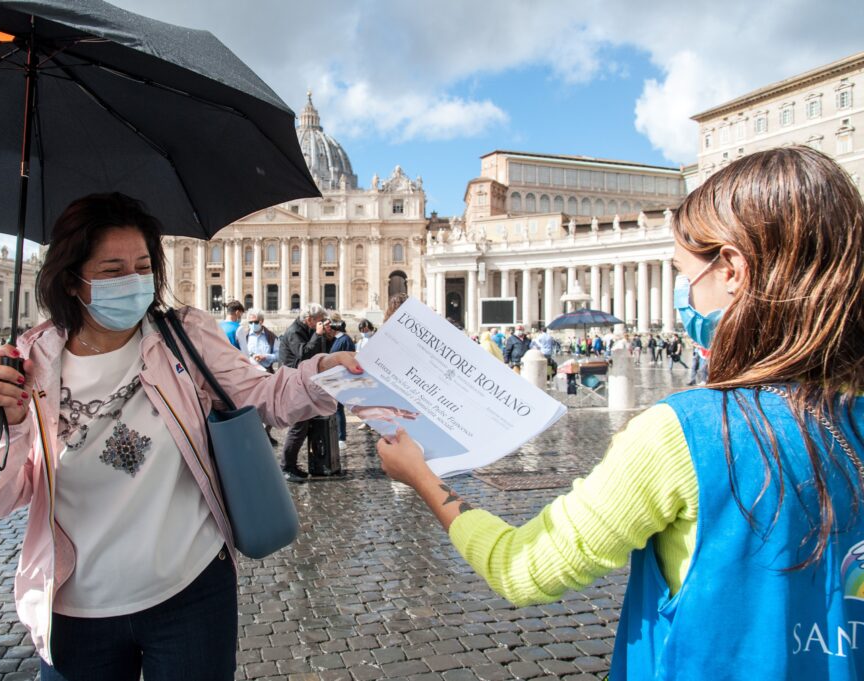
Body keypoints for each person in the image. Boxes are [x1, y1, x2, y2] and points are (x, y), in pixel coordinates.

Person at [376, 147, 864, 679]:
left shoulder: (686, 434)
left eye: (684, 274)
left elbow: (521, 566)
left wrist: (421, 475)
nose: (685, 297)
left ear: (732, 270)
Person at [0, 193, 358, 680]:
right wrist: (5, 423)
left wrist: (328, 373)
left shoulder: (184, 336)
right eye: (111, 270)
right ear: (71, 279)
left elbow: (265, 396)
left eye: (142, 266)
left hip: (190, 591)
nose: (131, 281)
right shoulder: (27, 363)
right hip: (74, 607)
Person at [277, 304, 332, 481]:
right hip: (293, 383)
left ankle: (291, 464)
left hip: (302, 382)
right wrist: (317, 335)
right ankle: (286, 467)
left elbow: (319, 353)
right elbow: (304, 355)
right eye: (319, 320)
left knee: (303, 426)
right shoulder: (294, 331)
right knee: (298, 426)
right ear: (309, 320)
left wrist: (325, 336)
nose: (321, 323)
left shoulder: (306, 330)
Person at [236, 308, 281, 445]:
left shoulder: (272, 336)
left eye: (255, 322)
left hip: (266, 373)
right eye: (250, 322)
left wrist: (265, 357)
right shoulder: (243, 335)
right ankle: (255, 435)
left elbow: (279, 355)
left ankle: (265, 432)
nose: (252, 324)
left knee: (270, 406)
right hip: (249, 374)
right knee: (250, 406)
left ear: (261, 321)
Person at [329, 319, 356, 448]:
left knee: (338, 408)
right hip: (336, 378)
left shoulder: (344, 340)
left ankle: (341, 437)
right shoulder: (340, 339)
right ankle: (338, 435)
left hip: (340, 378)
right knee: (336, 408)